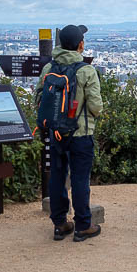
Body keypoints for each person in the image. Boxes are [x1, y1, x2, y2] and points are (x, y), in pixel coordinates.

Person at [35, 24, 103, 242]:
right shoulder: (86, 71)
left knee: (57, 176)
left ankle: (60, 223)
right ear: (80, 45)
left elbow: (38, 99)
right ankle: (83, 225)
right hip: (80, 133)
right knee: (80, 179)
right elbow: (96, 107)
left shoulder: (48, 69)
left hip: (55, 134)